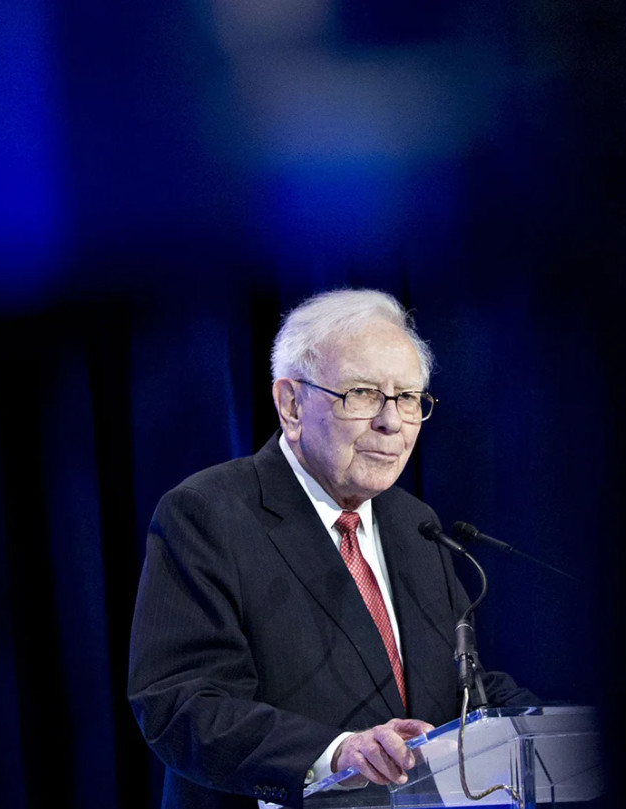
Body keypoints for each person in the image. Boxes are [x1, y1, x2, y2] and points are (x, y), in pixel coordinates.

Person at [128, 288, 538, 809]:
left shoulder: (414, 524)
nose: (392, 421)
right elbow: (181, 704)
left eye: (408, 398)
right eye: (363, 393)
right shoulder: (208, 514)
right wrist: (337, 753)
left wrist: (564, 728)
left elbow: (463, 683)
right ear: (291, 404)